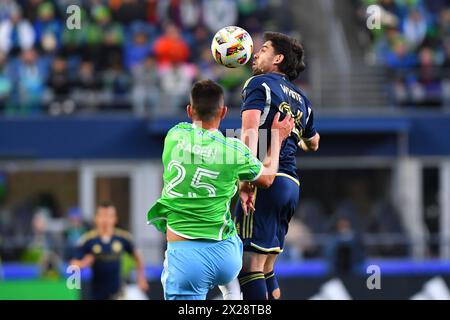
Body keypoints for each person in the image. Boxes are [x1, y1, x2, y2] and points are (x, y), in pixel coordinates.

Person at [147, 79, 294, 300]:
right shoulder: (233, 151)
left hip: (186, 257)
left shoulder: (174, 136)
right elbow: (267, 179)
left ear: (189, 110)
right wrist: (277, 137)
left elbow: (201, 159)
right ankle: (233, 293)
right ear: (224, 112)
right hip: (226, 257)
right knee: (232, 268)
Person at [234, 32, 320, 300]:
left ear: (278, 59)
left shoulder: (259, 83)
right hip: (290, 184)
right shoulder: (302, 100)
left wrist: (246, 180)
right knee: (267, 267)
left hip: (265, 180)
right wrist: (293, 138)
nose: (256, 53)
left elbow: (249, 131)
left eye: (264, 49)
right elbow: (314, 142)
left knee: (248, 267)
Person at [70, 202, 149, 300]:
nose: (105, 220)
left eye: (109, 216)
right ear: (96, 218)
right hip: (96, 293)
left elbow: (137, 256)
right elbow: (73, 265)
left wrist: (141, 278)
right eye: (102, 215)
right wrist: (84, 263)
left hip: (118, 293)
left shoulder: (123, 238)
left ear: (115, 219)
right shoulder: (88, 240)